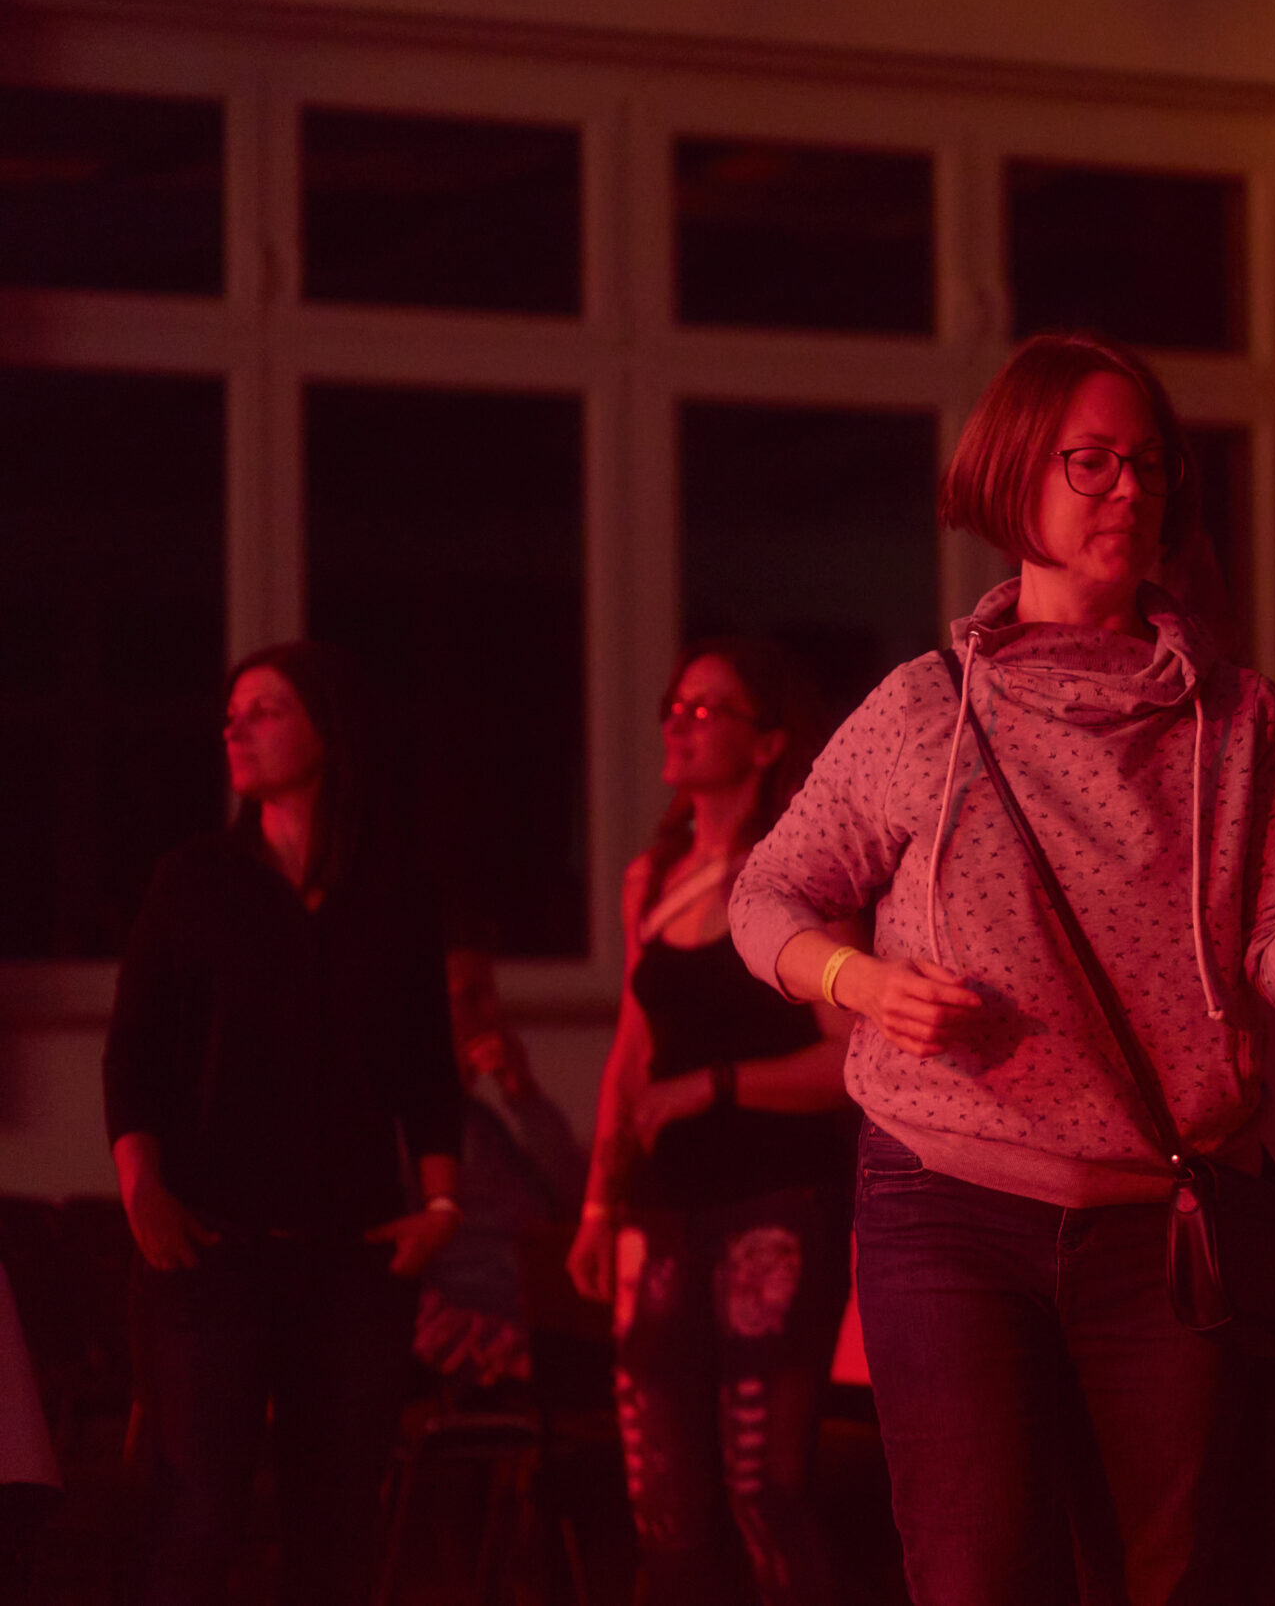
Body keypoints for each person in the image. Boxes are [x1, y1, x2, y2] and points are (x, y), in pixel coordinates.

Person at [727, 329, 1275, 1606]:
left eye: (1147, 464)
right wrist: (859, 983)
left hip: (1164, 1216)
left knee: (1176, 1581)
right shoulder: (926, 705)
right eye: (1090, 462)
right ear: (1014, 478)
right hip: (948, 1199)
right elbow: (766, 897)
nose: (1126, 490)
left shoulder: (1237, 716)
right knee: (980, 1575)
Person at [105, 642, 464, 1605]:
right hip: (210, 1245)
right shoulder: (194, 880)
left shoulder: (392, 888)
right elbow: (134, 1050)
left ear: (326, 730)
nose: (238, 727)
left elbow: (426, 1062)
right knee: (197, 1514)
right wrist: (142, 1187)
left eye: (265, 709)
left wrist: (440, 1206)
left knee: (337, 1524)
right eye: (232, 713)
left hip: (351, 1252)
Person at [563, 638, 852, 1606]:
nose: (678, 725)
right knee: (665, 1503)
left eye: (705, 710)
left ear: (766, 742)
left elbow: (850, 1058)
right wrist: (598, 1205)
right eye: (673, 707)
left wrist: (715, 1087)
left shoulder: (802, 875)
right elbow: (631, 1049)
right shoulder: (652, 878)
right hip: (663, 1209)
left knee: (763, 1490)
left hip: (776, 1200)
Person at [414, 945, 587, 1388]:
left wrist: (523, 1096)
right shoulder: (406, 1134)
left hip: (542, 1329)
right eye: (471, 998)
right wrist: (505, 1353)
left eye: (492, 997)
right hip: (486, 1356)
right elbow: (399, 1296)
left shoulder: (483, 1122)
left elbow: (573, 1202)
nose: (492, 1015)